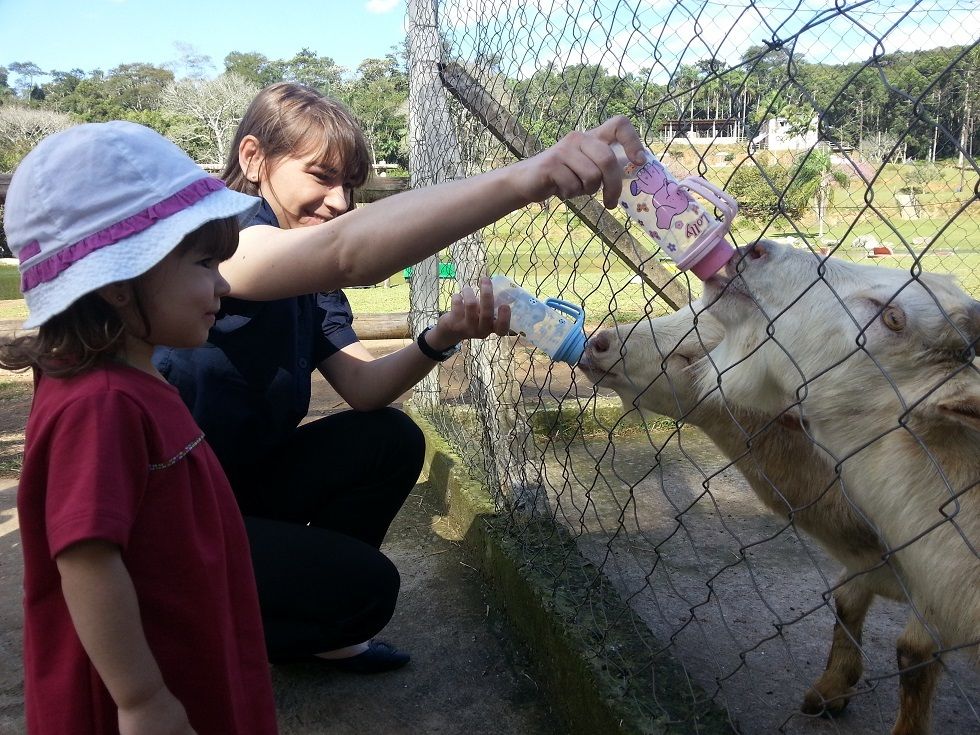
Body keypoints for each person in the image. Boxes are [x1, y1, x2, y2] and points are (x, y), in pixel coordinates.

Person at [153, 82, 646, 672]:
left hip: (239, 483)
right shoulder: (223, 240)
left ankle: (297, 615)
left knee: (390, 437)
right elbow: (347, 251)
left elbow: (364, 388)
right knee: (364, 591)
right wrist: (529, 177)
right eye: (321, 176)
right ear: (254, 159)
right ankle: (182, 626)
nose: (339, 201)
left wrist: (443, 335)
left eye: (350, 185)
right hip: (174, 506)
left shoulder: (308, 280)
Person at [0, 121, 278, 734]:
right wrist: (142, 698)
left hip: (182, 651)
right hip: (140, 687)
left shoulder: (129, 381)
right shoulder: (100, 403)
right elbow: (87, 558)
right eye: (204, 262)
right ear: (123, 283)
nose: (224, 284)